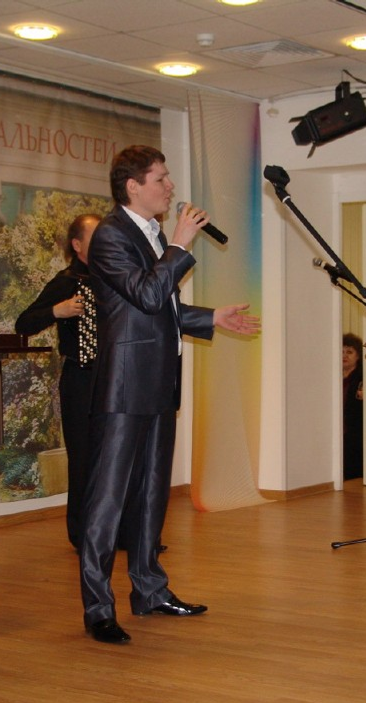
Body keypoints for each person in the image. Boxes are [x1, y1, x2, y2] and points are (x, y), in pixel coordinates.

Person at [79, 144, 260, 645]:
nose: (170, 186)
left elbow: (161, 308)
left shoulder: (154, 234)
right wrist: (179, 245)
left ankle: (150, 590)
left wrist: (210, 317)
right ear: (132, 186)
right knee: (108, 501)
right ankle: (98, 608)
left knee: (152, 493)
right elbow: (146, 294)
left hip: (160, 380)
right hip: (124, 387)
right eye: (160, 178)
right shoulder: (110, 236)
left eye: (167, 177)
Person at [15, 213, 101, 551]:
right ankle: (82, 535)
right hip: (81, 378)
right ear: (77, 245)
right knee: (83, 458)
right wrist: (57, 311)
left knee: (117, 458)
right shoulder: (68, 282)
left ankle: (120, 531)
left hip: (114, 380)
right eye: (95, 238)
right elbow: (24, 323)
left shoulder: (115, 278)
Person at [342, 332, 364, 480]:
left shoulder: (363, 377)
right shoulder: (330, 376)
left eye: (349, 352)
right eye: (341, 352)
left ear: (358, 356)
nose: (344, 355)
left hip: (354, 432)